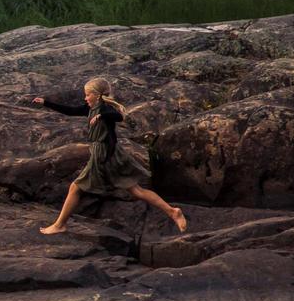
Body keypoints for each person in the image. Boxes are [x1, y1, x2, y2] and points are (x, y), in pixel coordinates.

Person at [33, 78, 187, 235]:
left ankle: (60, 225)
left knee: (75, 188)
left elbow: (117, 116)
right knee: (136, 190)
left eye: (87, 95)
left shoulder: (105, 110)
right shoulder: (90, 108)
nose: (85, 98)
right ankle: (172, 211)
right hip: (110, 154)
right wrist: (46, 102)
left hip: (103, 155)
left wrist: (101, 117)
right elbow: (70, 111)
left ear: (97, 95)